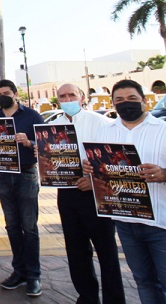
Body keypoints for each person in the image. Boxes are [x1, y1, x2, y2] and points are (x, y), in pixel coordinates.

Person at [82, 79, 166, 304]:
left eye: (131, 99)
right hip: (126, 223)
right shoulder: (104, 133)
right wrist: (91, 171)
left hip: (164, 225)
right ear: (112, 103)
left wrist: (165, 174)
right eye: (119, 100)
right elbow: (100, 173)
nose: (125, 104)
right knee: (145, 284)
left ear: (144, 100)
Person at [51, 84, 125, 304]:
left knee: (106, 251)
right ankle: (87, 296)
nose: (67, 99)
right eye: (62, 96)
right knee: (76, 249)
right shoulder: (54, 126)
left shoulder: (101, 123)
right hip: (67, 194)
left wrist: (94, 181)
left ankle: (114, 299)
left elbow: (115, 158)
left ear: (81, 97)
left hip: (96, 194)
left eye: (71, 95)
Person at [0, 79, 45, 298]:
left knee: (29, 226)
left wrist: (30, 142)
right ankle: (19, 271)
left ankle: (34, 275)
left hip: (26, 173)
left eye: (6, 92)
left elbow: (47, 145)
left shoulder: (32, 116)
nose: (2, 96)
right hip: (3, 174)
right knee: (12, 225)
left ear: (15, 94)